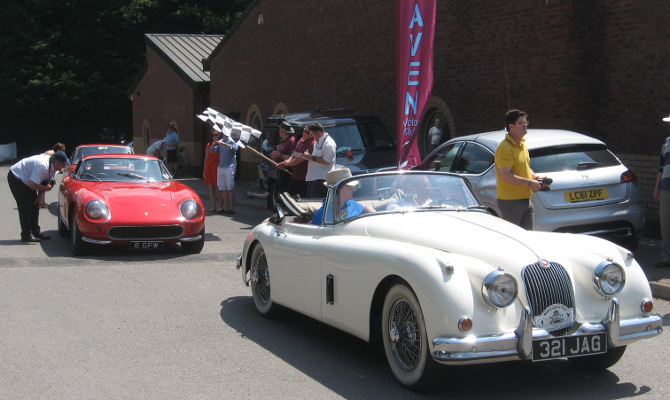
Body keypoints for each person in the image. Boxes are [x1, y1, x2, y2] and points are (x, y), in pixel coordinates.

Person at [494, 109, 547, 229]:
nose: (525, 125)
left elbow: (525, 168)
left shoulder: (522, 145)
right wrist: (529, 183)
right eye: (521, 123)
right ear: (511, 126)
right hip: (511, 201)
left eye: (526, 122)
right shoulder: (505, 148)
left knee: (529, 237)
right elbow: (505, 175)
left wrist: (536, 178)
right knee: (514, 238)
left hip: (525, 199)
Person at [7, 151, 68, 242]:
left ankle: (36, 233)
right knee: (26, 206)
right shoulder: (42, 166)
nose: (64, 167)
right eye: (63, 165)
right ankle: (26, 235)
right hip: (17, 177)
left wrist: (39, 197)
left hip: (28, 179)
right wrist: (46, 188)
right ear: (56, 163)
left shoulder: (54, 168)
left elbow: (44, 181)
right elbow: (33, 184)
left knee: (35, 205)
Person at [277, 126, 315, 198]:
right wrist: (288, 160)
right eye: (304, 130)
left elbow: (300, 159)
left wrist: (287, 163)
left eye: (307, 132)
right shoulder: (301, 140)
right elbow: (295, 154)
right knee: (287, 195)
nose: (304, 133)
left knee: (295, 198)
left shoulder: (312, 144)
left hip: (303, 178)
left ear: (312, 134)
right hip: (295, 175)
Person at [301, 123, 336, 198]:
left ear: (319, 132)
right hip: (313, 177)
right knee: (310, 200)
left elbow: (327, 161)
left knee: (316, 201)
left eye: (313, 134)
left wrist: (312, 157)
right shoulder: (317, 141)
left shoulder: (328, 144)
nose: (312, 137)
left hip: (321, 178)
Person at [653, 113, 670, 268]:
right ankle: (667, 258)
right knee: (665, 223)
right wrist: (656, 187)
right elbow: (661, 168)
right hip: (665, 187)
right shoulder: (667, 142)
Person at [209, 132, 238, 214]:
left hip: (229, 167)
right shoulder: (220, 141)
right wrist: (212, 145)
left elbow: (234, 149)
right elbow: (212, 151)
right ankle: (225, 208)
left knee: (230, 188)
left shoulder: (233, 141)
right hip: (221, 167)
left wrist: (224, 143)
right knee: (223, 188)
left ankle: (232, 208)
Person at [270, 121, 296, 206]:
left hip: (286, 170)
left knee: (283, 191)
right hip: (280, 170)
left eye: (280, 129)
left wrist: (279, 155)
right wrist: (275, 155)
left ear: (283, 131)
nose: (279, 131)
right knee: (277, 190)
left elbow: (292, 157)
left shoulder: (291, 141)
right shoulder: (284, 141)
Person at [41, 143, 66, 207]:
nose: (63, 152)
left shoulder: (55, 155)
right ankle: (41, 202)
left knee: (45, 186)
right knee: (43, 186)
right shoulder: (51, 153)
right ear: (58, 149)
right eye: (62, 150)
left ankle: (42, 201)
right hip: (44, 170)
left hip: (48, 171)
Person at [203, 130, 222, 212]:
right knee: (211, 188)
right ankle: (213, 206)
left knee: (220, 188)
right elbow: (206, 158)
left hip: (218, 166)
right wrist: (204, 170)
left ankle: (221, 206)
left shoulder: (221, 145)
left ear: (219, 135)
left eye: (216, 135)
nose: (214, 136)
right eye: (213, 135)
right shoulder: (208, 145)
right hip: (210, 166)